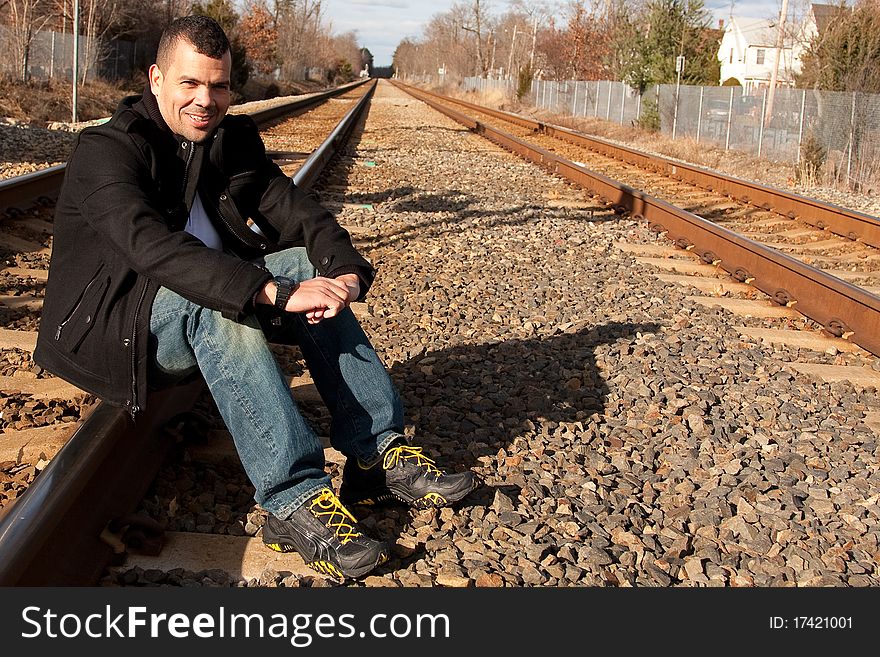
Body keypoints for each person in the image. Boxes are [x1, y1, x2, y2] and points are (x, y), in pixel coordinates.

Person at [34, 14, 479, 582]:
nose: (205, 99)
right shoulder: (108, 150)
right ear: (156, 79)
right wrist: (266, 291)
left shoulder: (229, 140)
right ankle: (294, 499)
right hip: (120, 321)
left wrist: (340, 272)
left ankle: (375, 453)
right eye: (189, 84)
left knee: (302, 266)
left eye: (218, 86)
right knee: (223, 302)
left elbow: (293, 209)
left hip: (197, 297)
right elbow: (151, 247)